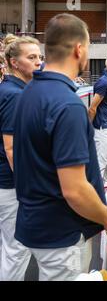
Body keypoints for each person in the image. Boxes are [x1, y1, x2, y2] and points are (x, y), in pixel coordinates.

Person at [13, 14, 107, 281]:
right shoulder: (67, 104)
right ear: (79, 49)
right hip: (61, 230)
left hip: (36, 220)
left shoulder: (28, 93)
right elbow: (74, 189)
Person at [0, 34, 41, 280]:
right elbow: (12, 148)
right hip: (11, 185)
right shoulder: (15, 95)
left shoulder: (12, 89)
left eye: (40, 57)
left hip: (7, 183)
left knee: (9, 247)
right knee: (17, 248)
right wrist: (30, 186)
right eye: (32, 57)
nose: (39, 62)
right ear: (14, 63)